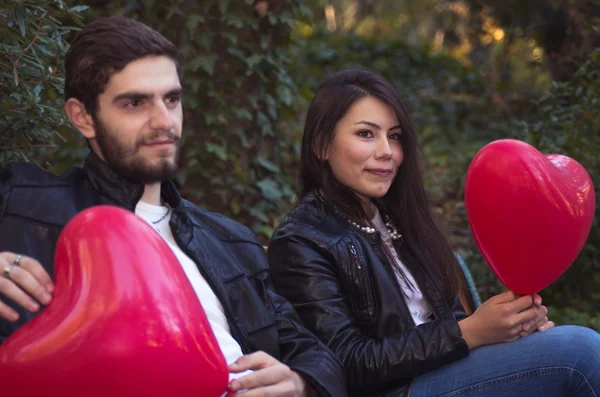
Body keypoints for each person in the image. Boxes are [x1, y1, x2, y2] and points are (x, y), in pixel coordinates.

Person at [0, 16, 347, 397]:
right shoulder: (22, 202)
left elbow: (317, 355)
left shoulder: (231, 242)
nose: (164, 122)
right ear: (83, 117)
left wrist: (301, 382)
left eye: (172, 99)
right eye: (135, 103)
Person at [267, 69, 600, 397]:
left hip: (445, 371)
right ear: (322, 145)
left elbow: (441, 318)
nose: (387, 151)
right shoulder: (301, 240)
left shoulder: (398, 219)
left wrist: (506, 328)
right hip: (397, 390)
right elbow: (345, 364)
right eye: (366, 134)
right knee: (580, 353)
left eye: (394, 136)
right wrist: (469, 331)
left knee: (565, 350)